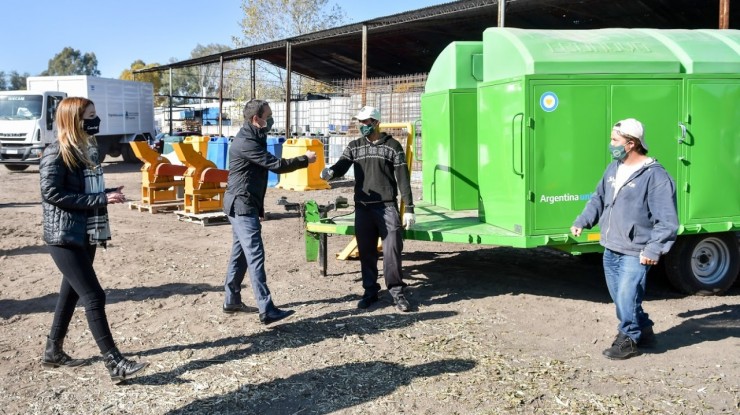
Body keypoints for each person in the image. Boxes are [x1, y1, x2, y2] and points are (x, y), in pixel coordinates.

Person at [39, 97, 148, 381]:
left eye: (95, 114)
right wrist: (100, 197)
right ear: (74, 119)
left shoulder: (86, 150)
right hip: (63, 235)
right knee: (94, 295)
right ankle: (114, 363)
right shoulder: (56, 152)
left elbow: (81, 188)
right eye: (90, 115)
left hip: (84, 231)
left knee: (71, 293)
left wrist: (107, 190)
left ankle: (53, 351)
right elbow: (51, 193)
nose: (95, 119)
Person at [571, 118, 679, 360]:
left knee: (626, 296)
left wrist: (654, 249)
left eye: (615, 140)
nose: (611, 144)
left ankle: (628, 339)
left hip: (636, 249)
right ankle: (646, 331)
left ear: (631, 143)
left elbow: (667, 221)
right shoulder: (614, 168)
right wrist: (582, 221)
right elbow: (598, 198)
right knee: (621, 297)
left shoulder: (656, 177)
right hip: (611, 246)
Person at [222, 99, 317, 324]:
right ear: (256, 119)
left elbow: (255, 178)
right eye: (268, 115)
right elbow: (276, 165)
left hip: (244, 204)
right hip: (241, 205)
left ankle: (232, 300)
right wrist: (305, 159)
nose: (271, 120)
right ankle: (267, 309)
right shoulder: (247, 142)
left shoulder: (254, 135)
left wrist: (260, 208)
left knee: (241, 253)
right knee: (255, 255)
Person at [320, 106, 416, 312]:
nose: (362, 125)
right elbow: (342, 165)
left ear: (376, 122)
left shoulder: (393, 146)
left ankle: (397, 292)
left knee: (392, 250)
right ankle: (370, 291)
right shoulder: (354, 146)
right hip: (363, 207)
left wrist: (409, 207)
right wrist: (330, 172)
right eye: (360, 122)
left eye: (366, 122)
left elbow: (403, 179)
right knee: (366, 252)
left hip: (387, 207)